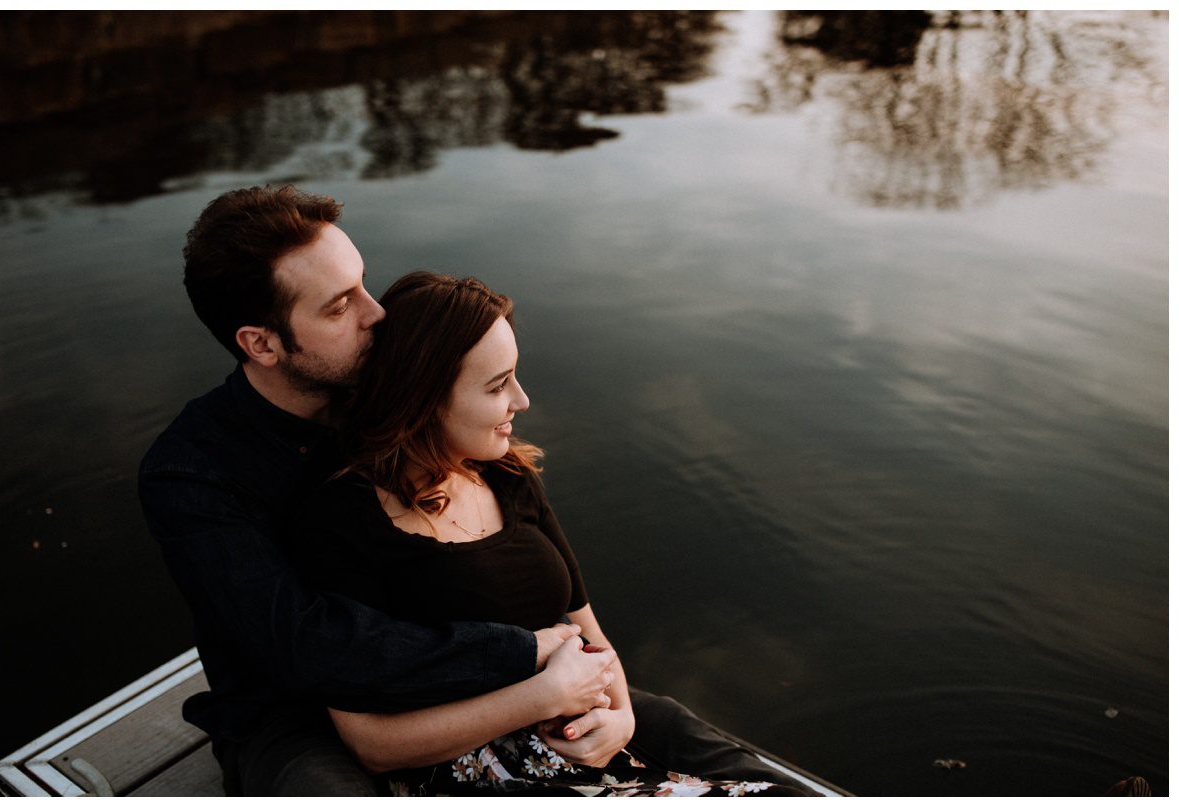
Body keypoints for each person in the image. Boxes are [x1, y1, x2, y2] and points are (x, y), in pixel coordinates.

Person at [139, 184, 820, 796]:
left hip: (484, 680)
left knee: (682, 731)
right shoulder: (193, 474)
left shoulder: (387, 398)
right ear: (262, 343)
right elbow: (310, 648)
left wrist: (599, 690)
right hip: (297, 716)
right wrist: (521, 652)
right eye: (341, 305)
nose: (377, 315)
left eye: (365, 284)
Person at [284, 272, 816, 796]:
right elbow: (371, 744)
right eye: (497, 386)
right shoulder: (345, 520)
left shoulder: (507, 475)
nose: (522, 400)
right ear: (422, 400)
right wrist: (543, 697)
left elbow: (589, 631)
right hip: (478, 777)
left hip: (589, 752)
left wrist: (623, 719)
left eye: (514, 377)